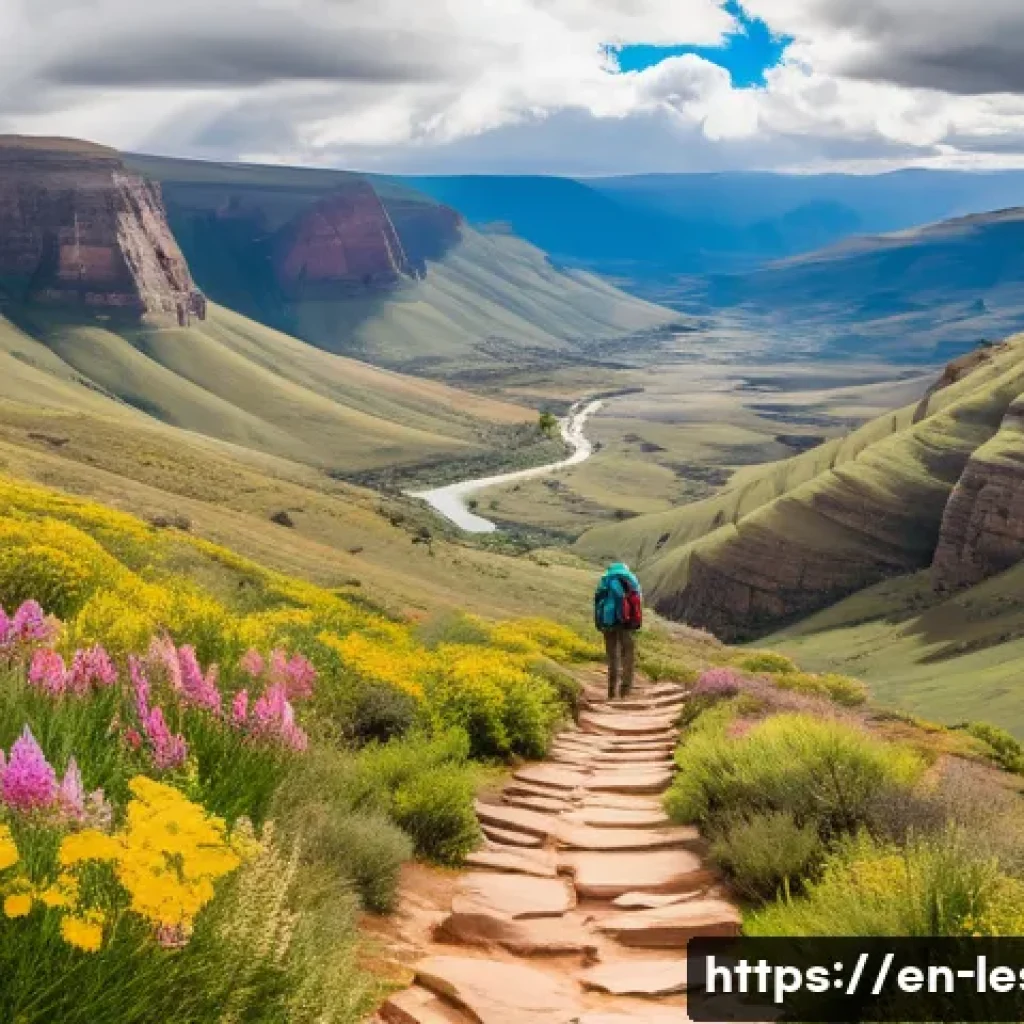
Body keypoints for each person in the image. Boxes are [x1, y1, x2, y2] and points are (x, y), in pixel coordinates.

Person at [594, 561, 643, 700]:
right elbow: (637, 602)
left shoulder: (605, 580)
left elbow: (597, 604)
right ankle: (625, 691)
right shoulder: (630, 579)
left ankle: (611, 692)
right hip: (626, 623)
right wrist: (636, 622)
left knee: (612, 657)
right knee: (628, 655)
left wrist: (599, 623)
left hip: (607, 623)